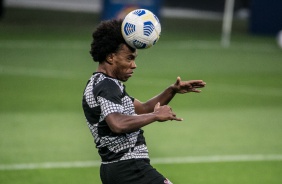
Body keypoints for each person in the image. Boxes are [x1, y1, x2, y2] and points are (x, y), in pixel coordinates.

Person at [82, 19, 206, 184]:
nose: (134, 65)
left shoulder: (101, 83)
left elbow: (143, 109)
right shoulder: (107, 85)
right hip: (129, 167)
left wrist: (172, 90)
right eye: (129, 58)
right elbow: (117, 123)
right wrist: (155, 116)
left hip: (115, 169)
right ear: (111, 57)